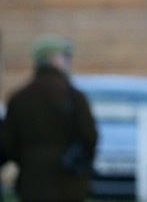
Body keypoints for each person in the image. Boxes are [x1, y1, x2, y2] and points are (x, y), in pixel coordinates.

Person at [3, 35, 97, 202]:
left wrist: (29, 159)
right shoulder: (73, 96)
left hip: (32, 181)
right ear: (52, 59)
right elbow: (89, 136)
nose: (69, 62)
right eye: (65, 57)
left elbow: (8, 143)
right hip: (69, 182)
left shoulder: (19, 98)